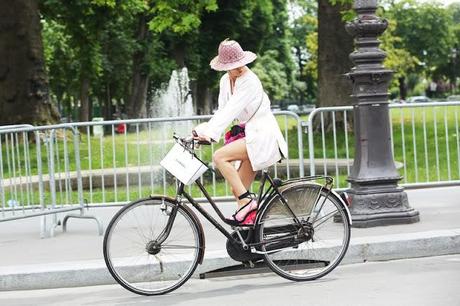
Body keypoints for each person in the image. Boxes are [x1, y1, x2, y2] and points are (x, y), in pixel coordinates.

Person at [193, 39, 288, 225]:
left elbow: (232, 110)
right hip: (249, 135)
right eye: (233, 65)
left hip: (262, 134)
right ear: (225, 67)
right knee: (238, 190)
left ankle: (247, 202)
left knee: (220, 157)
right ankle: (250, 240)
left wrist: (211, 134)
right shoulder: (224, 81)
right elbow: (222, 111)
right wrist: (202, 131)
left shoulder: (250, 81)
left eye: (240, 63)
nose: (239, 68)